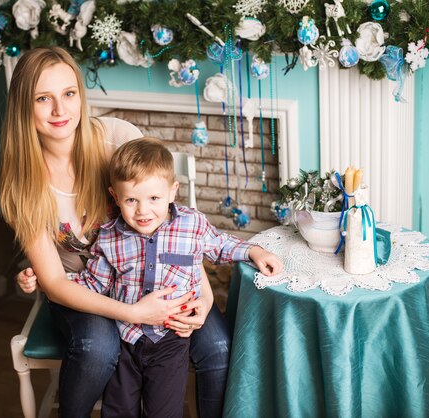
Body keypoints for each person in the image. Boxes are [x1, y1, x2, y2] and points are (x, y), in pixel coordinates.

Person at [0, 46, 281, 418]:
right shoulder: (22, 185)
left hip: (163, 280)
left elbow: (174, 229)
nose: (60, 110)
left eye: (68, 94)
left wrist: (204, 299)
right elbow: (55, 282)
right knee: (98, 347)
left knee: (216, 346)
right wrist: (134, 313)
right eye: (43, 98)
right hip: (89, 289)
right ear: (24, 106)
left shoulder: (117, 139)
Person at [66, 137, 283, 417]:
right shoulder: (109, 236)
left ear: (172, 192)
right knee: (118, 411)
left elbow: (221, 245)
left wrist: (253, 251)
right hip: (125, 339)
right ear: (115, 196)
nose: (143, 211)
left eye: (154, 198)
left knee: (164, 412)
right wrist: (52, 280)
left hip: (170, 340)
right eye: (131, 200)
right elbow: (93, 282)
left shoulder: (191, 224)